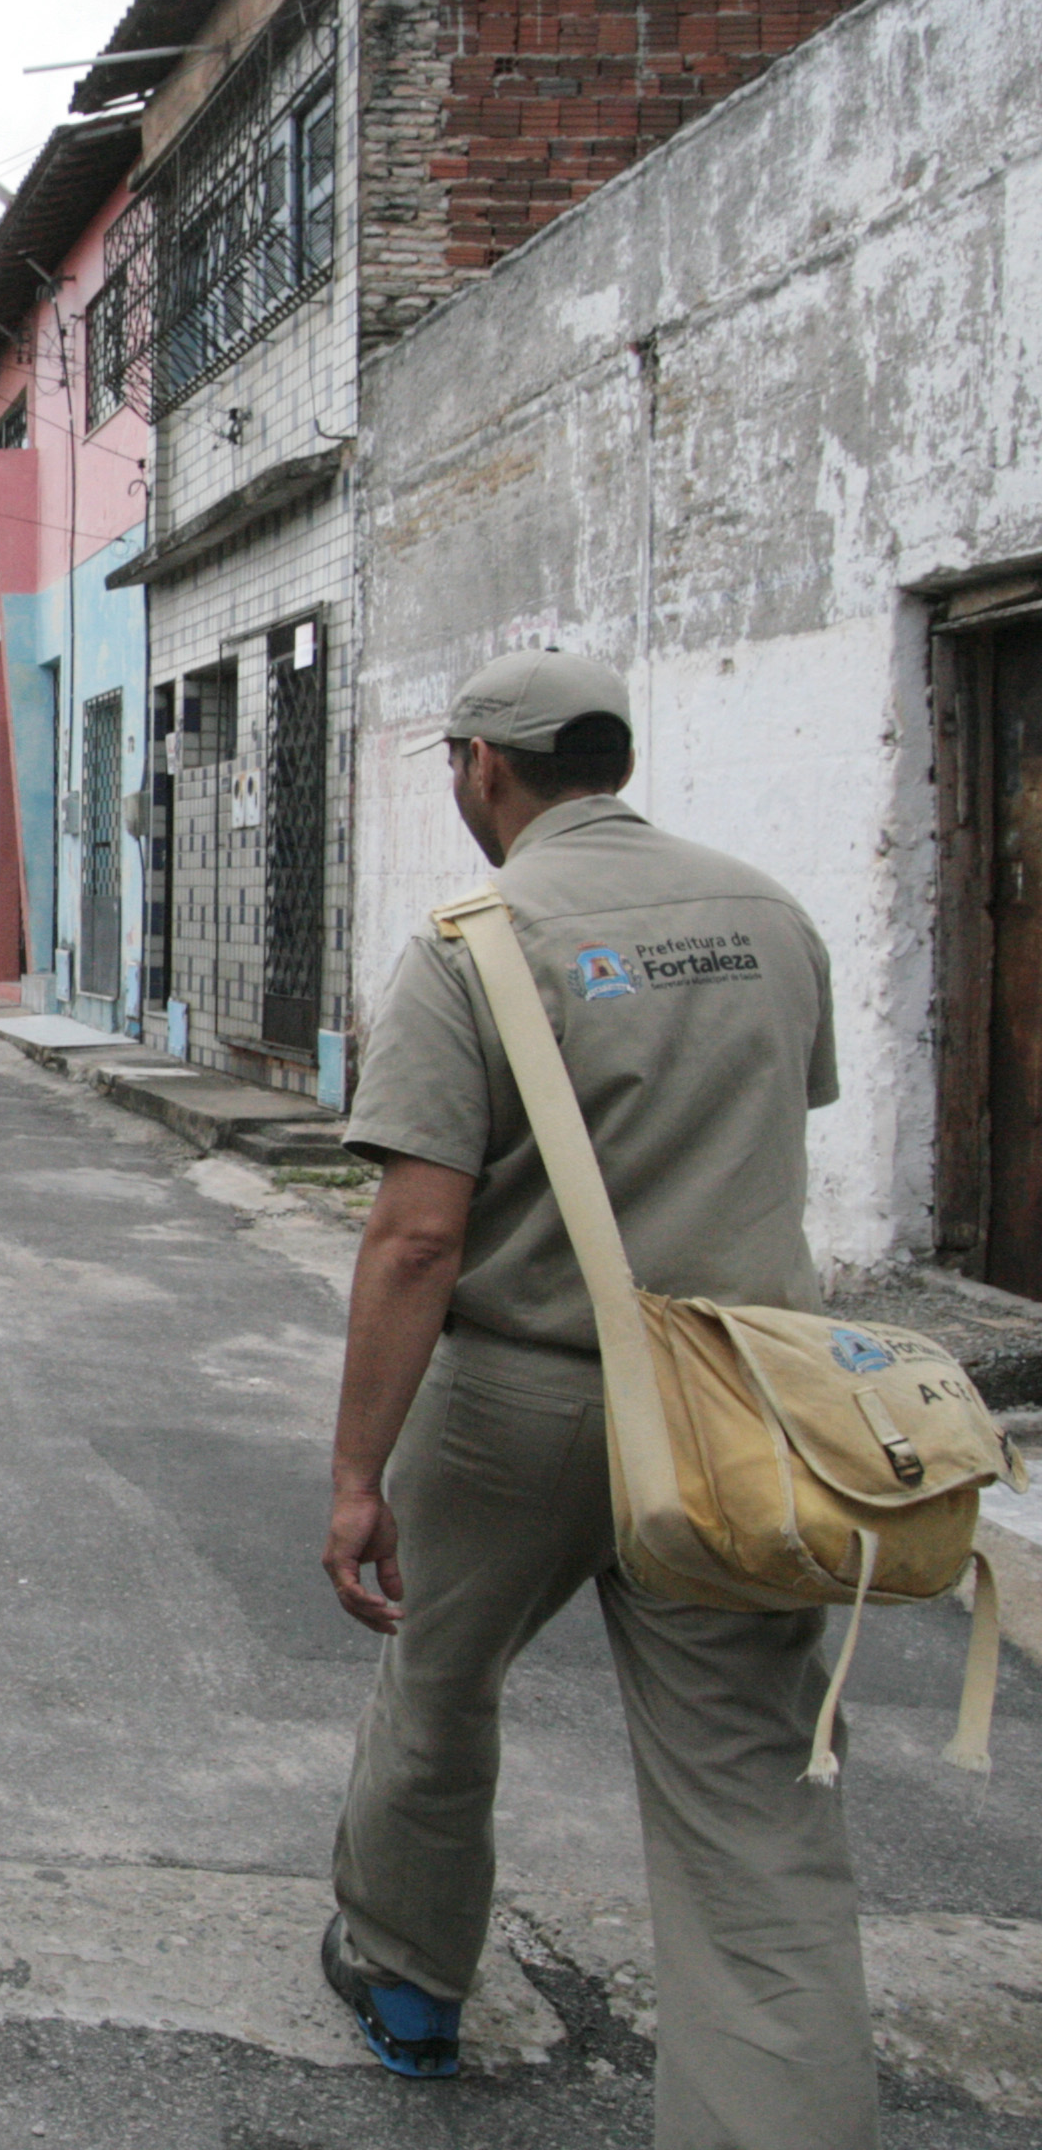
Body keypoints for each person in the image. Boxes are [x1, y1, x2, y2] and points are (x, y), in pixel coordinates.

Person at [318, 648, 867, 2147]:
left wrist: (359, 1469)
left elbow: (419, 1235)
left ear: (488, 768)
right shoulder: (772, 914)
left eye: (454, 767)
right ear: (610, 759)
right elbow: (777, 1122)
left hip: (524, 1403)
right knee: (752, 1789)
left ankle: (412, 1989)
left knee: (439, 1685)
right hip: (740, 1401)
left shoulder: (471, 944)